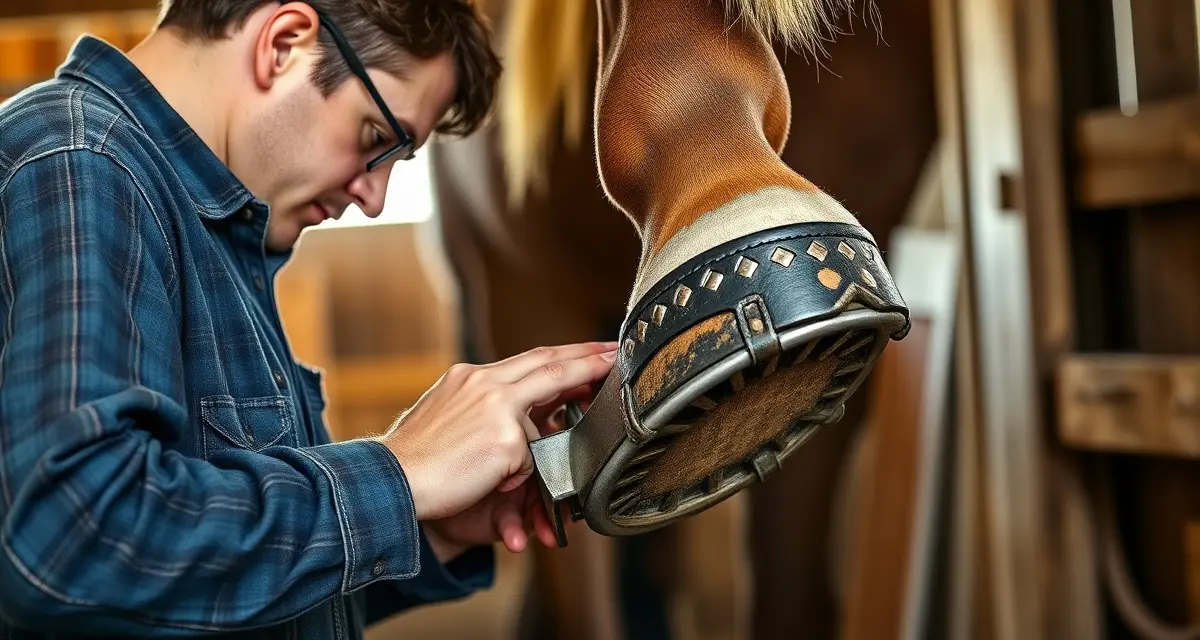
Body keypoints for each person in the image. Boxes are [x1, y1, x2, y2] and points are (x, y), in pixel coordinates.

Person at [0, 0, 617, 637]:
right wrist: (397, 477)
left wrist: (427, 522)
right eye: (377, 139)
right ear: (284, 43)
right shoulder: (81, 163)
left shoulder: (214, 225)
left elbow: (211, 601)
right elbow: (74, 542)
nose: (374, 201)